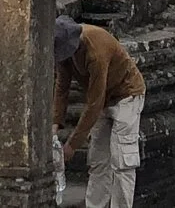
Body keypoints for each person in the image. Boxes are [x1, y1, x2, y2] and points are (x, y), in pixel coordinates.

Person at [52, 15, 145, 208]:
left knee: (122, 161)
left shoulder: (96, 50)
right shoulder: (64, 54)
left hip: (126, 95)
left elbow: (95, 102)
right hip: (103, 100)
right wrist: (55, 125)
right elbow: (61, 88)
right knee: (98, 161)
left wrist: (72, 145)